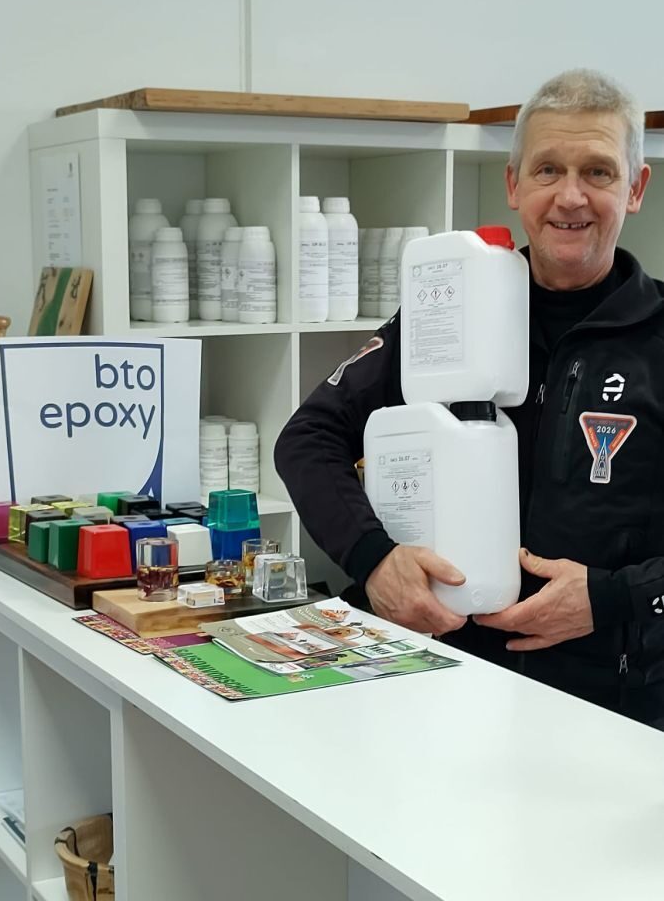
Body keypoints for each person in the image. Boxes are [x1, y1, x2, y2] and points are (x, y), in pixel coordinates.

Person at [275, 69, 664, 728]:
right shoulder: (451, 309)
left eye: (598, 172)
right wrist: (375, 562)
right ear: (514, 185)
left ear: (636, 189)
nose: (570, 197)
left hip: (607, 703)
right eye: (547, 170)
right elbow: (307, 438)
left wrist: (613, 597)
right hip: (436, 675)